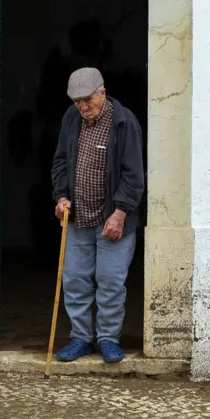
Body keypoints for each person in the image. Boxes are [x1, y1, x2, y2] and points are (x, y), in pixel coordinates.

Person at [50, 67, 144, 363]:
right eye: (77, 101)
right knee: (75, 280)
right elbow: (61, 162)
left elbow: (133, 175)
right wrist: (61, 195)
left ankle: (107, 338)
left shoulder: (123, 122)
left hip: (112, 220)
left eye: (87, 99)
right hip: (78, 219)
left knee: (110, 282)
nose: (83, 107)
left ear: (103, 92)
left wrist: (120, 213)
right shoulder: (71, 118)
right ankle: (81, 337)